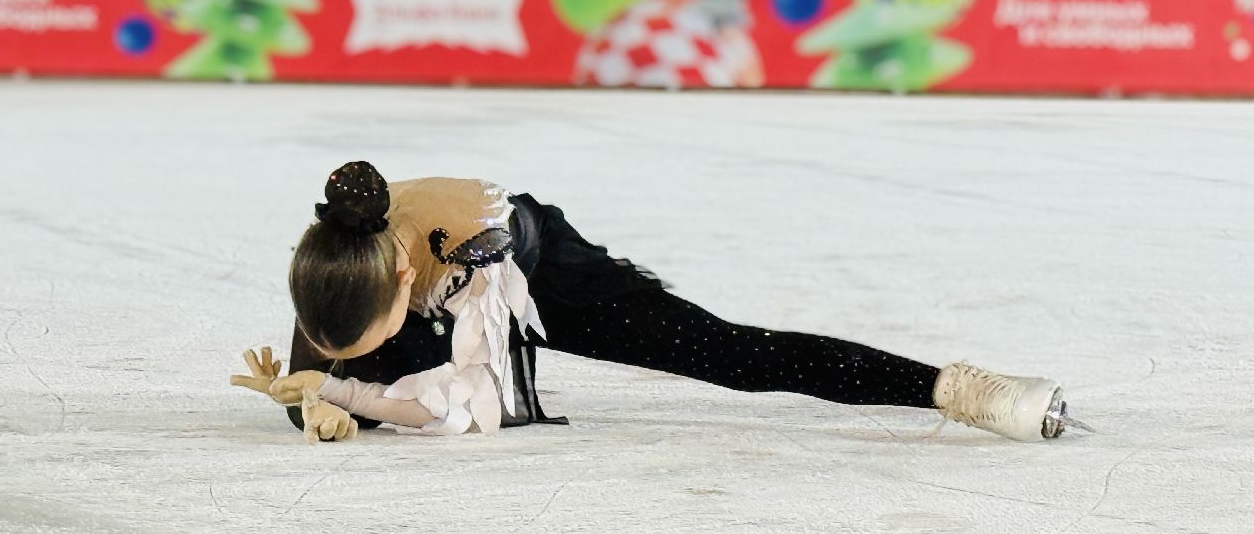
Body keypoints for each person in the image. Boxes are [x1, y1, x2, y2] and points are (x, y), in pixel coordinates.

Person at [230, 162, 1087, 444]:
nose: (335, 352)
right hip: (430, 291)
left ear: (407, 285)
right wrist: (322, 401)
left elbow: (471, 409)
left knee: (732, 353)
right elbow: (329, 375)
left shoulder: (465, 241)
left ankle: (953, 387)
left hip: (532, 263)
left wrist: (356, 401)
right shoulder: (334, 274)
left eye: (357, 344)